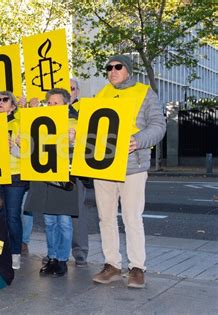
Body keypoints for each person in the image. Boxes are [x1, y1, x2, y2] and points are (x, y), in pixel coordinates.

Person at [92, 55, 166, 288]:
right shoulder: (101, 95)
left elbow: (158, 125)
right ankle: (112, 265)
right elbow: (91, 126)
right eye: (108, 68)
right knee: (105, 218)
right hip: (103, 165)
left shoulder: (145, 93)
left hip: (132, 166)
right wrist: (77, 133)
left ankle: (137, 268)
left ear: (129, 70)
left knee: (132, 218)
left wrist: (139, 140)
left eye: (117, 67)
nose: (112, 71)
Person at [24, 88, 78, 278]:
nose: (52, 106)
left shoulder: (73, 123)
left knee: (63, 222)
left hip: (64, 180)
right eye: (50, 103)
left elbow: (82, 150)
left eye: (57, 103)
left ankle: (62, 260)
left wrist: (73, 141)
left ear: (66, 104)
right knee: (49, 222)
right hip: (45, 180)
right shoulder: (40, 124)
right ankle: (52, 258)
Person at [0, 91, 29, 270]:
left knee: (13, 216)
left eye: (5, 100)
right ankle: (1, 251)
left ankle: (15, 253)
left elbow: (28, 154)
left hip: (15, 175)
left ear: (13, 106)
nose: (0, 102)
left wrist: (13, 148)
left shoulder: (20, 123)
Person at [69, 78, 90, 267]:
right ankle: (56, 253)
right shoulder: (51, 108)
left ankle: (80, 251)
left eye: (72, 89)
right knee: (54, 214)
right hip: (54, 166)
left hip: (76, 167)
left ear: (78, 91)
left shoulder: (84, 109)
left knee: (77, 210)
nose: (69, 92)